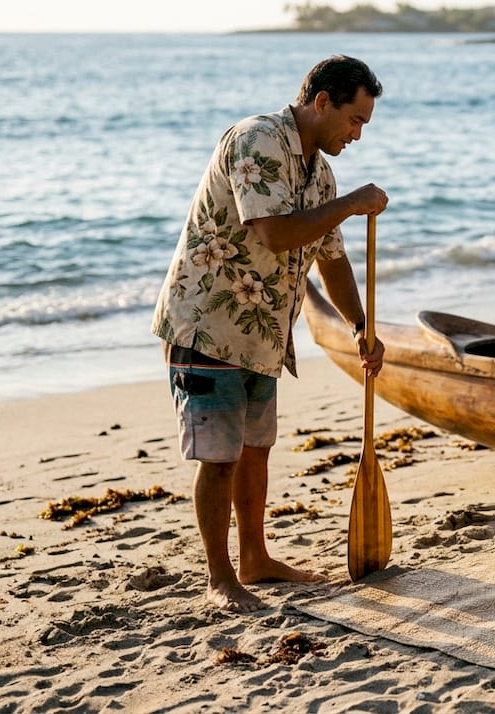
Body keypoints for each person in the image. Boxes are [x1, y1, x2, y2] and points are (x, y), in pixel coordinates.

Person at [152, 55, 388, 612]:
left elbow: (332, 261)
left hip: (261, 336)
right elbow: (276, 234)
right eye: (354, 121)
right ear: (322, 101)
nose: (357, 135)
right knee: (220, 457)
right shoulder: (257, 140)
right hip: (207, 325)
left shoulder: (320, 172)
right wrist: (352, 203)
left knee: (256, 450)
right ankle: (220, 577)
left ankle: (254, 559)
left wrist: (361, 325)